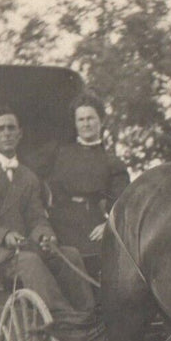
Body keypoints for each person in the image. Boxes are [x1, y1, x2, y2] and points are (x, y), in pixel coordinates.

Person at [0, 105, 100, 341]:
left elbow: (36, 217)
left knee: (69, 254)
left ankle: (88, 316)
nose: (6, 134)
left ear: (20, 134)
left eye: (11, 128)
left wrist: (44, 234)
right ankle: (62, 318)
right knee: (30, 261)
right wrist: (4, 236)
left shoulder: (27, 176)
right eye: (0, 129)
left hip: (22, 247)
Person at [27, 93, 130, 277]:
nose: (86, 124)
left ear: (101, 121)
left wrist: (110, 223)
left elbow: (121, 201)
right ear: (75, 123)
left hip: (90, 226)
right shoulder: (57, 152)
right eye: (81, 119)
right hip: (56, 222)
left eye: (90, 118)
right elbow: (28, 177)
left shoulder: (112, 162)